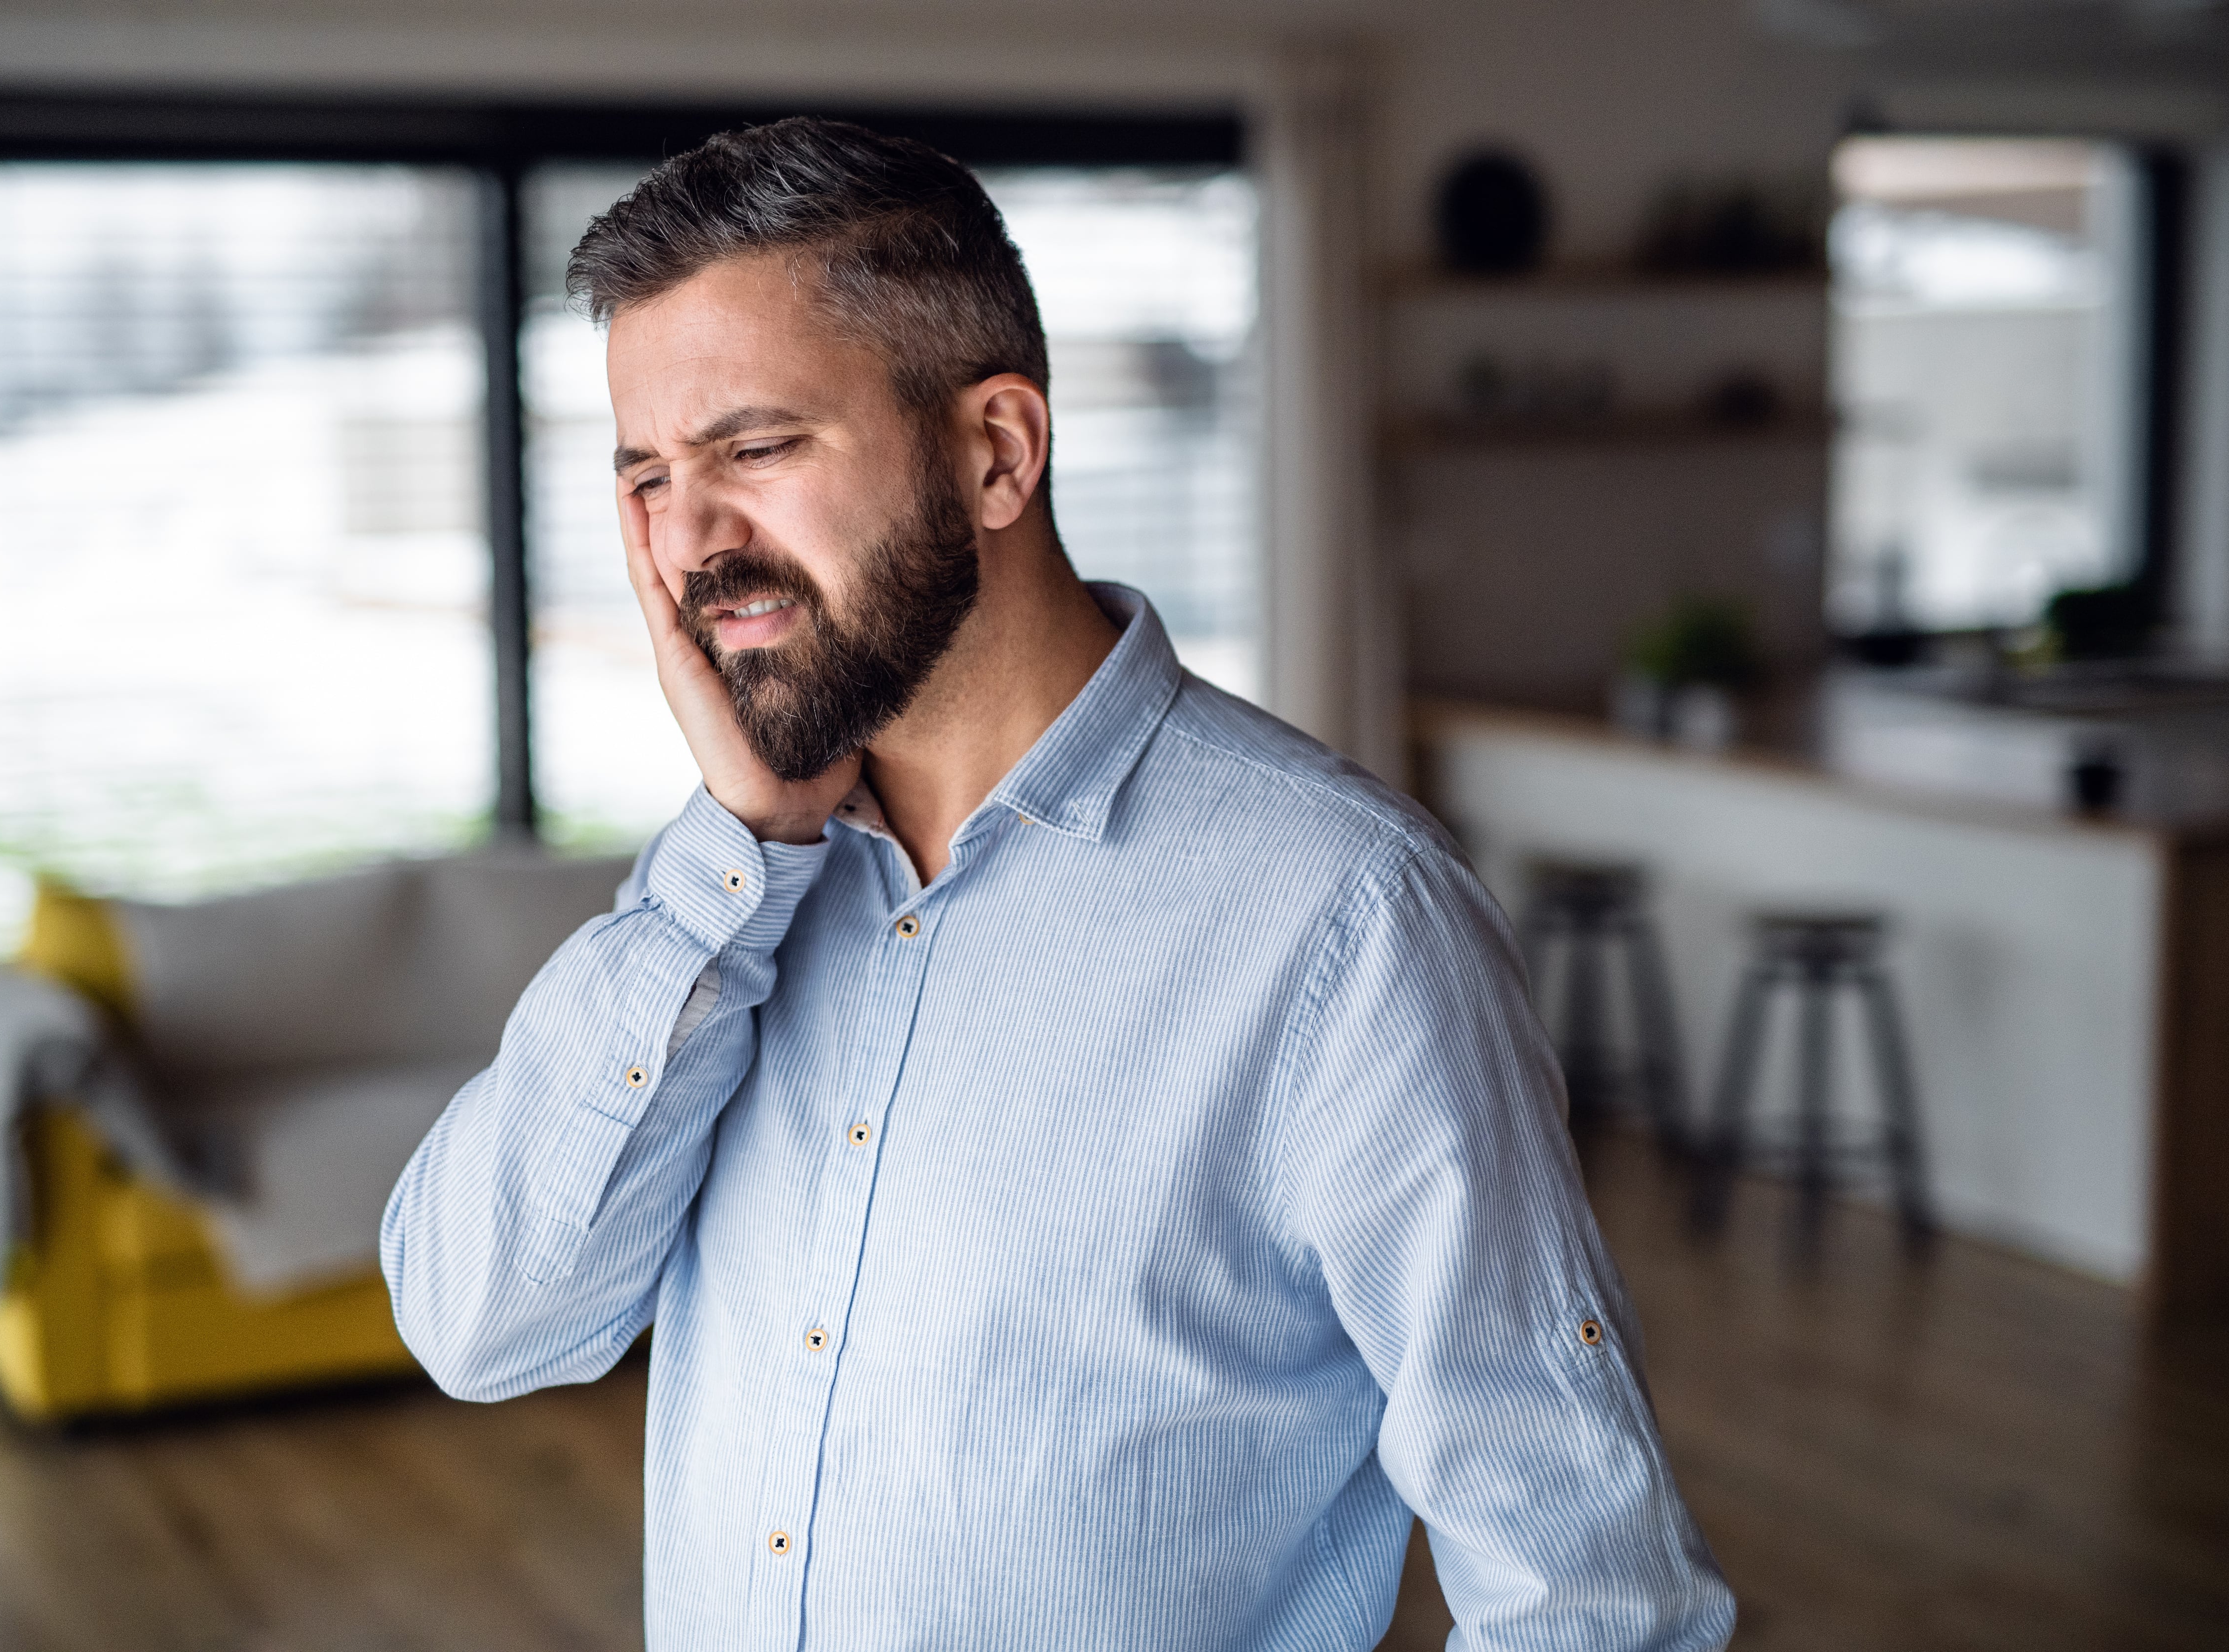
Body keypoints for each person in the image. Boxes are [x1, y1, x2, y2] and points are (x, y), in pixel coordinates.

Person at [382, 117, 1733, 1651]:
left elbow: (1592, 1592)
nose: (689, 540)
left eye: (755, 450)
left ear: (997, 451)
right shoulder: (726, 897)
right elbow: (482, 1328)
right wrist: (732, 853)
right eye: (645, 474)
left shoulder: (1344, 920)